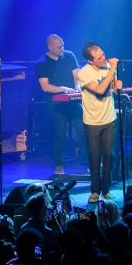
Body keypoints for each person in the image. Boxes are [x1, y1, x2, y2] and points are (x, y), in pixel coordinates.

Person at [77, 42, 122, 203]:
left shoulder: (108, 68)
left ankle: (106, 191)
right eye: (99, 57)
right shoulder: (84, 73)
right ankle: (95, 191)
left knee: (109, 156)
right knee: (95, 157)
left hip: (110, 119)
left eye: (103, 54)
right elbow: (99, 90)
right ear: (90, 61)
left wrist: (118, 87)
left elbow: (112, 90)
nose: (104, 58)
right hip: (92, 122)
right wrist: (112, 70)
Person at [36, 34, 86, 175]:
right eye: (59, 47)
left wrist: (76, 88)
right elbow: (45, 87)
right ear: (49, 47)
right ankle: (59, 164)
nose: (62, 49)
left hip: (73, 102)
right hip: (56, 105)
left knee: (82, 131)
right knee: (61, 134)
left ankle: (89, 162)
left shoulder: (69, 56)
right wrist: (63, 89)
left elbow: (77, 76)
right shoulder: (42, 63)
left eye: (63, 45)